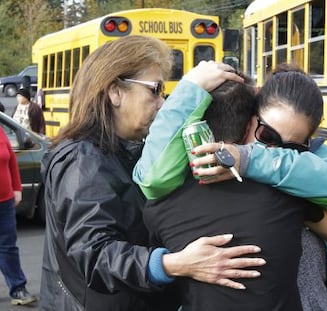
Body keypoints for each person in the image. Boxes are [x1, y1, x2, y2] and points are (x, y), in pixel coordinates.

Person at [38, 36, 266, 311]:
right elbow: (94, 254)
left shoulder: (118, 150)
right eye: (155, 90)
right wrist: (175, 264)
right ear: (115, 92)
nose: (161, 103)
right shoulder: (83, 159)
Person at [134, 63, 327, 310]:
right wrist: (190, 90)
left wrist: (248, 159)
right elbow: (152, 177)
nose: (274, 151)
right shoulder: (286, 191)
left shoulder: (291, 180)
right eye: (267, 136)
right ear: (250, 114)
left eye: (292, 149)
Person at [0, 126, 37, 306]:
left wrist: (17, 187)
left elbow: (11, 160)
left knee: (8, 248)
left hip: (5, 201)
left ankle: (18, 289)